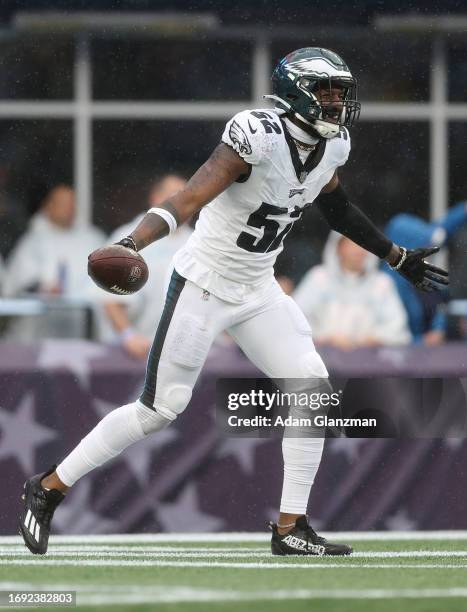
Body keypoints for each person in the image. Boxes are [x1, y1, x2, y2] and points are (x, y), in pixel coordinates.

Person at [19, 47, 448, 557]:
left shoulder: (333, 147)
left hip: (258, 286)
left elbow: (338, 209)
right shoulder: (257, 135)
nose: (337, 102)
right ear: (296, 94)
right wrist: (134, 242)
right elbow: (189, 199)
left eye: (340, 92)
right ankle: (48, 488)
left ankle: (291, 526)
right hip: (205, 283)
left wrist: (395, 256)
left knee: (311, 388)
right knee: (160, 409)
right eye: (326, 91)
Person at [98, 175, 191, 359]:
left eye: (187, 196)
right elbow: (109, 299)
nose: (183, 203)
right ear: (155, 199)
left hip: (179, 355)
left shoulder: (197, 241)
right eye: (176, 196)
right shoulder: (129, 236)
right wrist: (128, 336)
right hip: (129, 353)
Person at [294, 233, 411, 349]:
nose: (358, 250)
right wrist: (327, 338)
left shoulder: (382, 284)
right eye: (351, 245)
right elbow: (295, 320)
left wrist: (373, 338)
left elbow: (397, 325)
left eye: (363, 245)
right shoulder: (318, 278)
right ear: (337, 248)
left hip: (369, 363)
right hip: (323, 360)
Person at [384, 202, 467, 344]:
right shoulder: (385, 285)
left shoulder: (419, 272)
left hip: (429, 356)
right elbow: (388, 337)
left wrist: (439, 328)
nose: (427, 252)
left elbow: (441, 231)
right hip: (399, 360)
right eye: (421, 247)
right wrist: (421, 342)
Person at [3, 184, 105, 298]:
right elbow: (18, 282)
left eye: (72, 203)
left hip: (83, 311)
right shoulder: (33, 242)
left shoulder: (92, 238)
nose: (68, 208)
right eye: (63, 203)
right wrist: (42, 289)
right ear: (48, 206)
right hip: (43, 313)